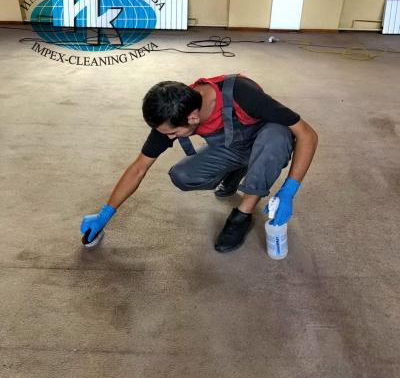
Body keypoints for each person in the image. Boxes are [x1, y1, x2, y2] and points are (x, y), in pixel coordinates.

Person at [80, 74, 318, 253]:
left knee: (277, 136)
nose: (169, 138)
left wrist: (289, 191)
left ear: (193, 117)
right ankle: (239, 168)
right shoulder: (173, 111)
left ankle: (242, 215)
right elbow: (139, 167)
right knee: (182, 176)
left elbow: (308, 135)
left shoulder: (242, 93)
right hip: (234, 148)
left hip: (267, 144)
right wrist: (105, 214)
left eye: (173, 133)